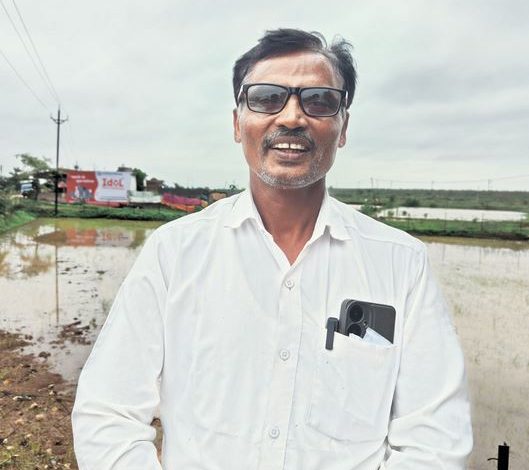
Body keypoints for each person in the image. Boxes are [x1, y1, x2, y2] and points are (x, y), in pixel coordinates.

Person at [72, 28, 473, 469]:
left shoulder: (400, 263)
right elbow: (108, 412)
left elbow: (435, 439)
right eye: (267, 98)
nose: (292, 117)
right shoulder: (174, 253)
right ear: (237, 123)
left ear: (342, 127)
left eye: (319, 100)